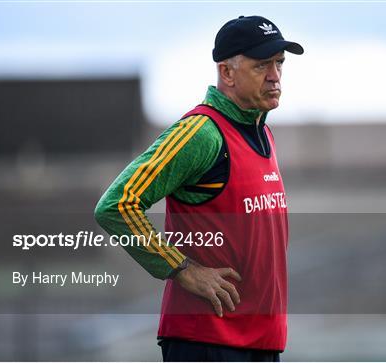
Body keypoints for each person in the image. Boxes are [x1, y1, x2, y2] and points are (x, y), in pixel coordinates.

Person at [94, 15, 303, 361]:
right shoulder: (201, 133)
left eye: (279, 63)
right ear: (227, 73)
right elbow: (116, 205)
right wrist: (181, 269)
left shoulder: (262, 133)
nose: (275, 76)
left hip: (260, 343)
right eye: (261, 65)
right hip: (209, 341)